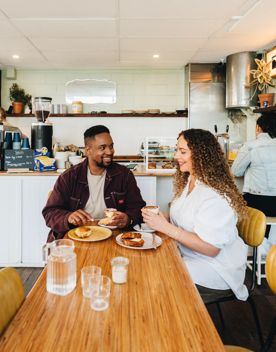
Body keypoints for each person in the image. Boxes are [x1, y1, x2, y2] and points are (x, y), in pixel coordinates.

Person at [142, 129, 249, 301]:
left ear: (201, 155)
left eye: (183, 152)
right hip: (190, 256)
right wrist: (162, 217)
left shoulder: (215, 195)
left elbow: (211, 249)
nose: (176, 156)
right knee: (151, 266)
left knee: (156, 278)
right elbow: (185, 215)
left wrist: (165, 227)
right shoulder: (192, 180)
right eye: (177, 150)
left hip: (217, 269)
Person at [43, 125, 146, 242]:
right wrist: (68, 217)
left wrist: (128, 219)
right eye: (102, 148)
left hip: (114, 236)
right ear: (88, 150)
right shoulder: (69, 177)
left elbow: (139, 208)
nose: (110, 152)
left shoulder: (124, 175)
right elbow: (50, 213)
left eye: (111, 146)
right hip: (76, 235)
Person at [231, 113, 276, 222]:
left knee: (231, 203)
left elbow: (235, 171)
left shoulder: (251, 146)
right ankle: (264, 238)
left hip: (259, 203)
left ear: (258, 128)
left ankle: (254, 238)